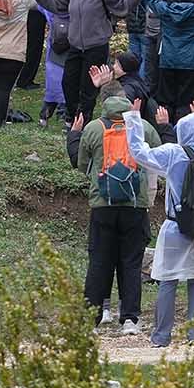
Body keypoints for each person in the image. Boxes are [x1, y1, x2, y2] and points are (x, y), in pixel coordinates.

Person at [123, 101, 194, 347]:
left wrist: (134, 119)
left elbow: (139, 152)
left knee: (168, 280)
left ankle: (161, 336)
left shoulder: (173, 154)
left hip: (177, 226)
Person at [71, 67, 162, 333]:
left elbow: (82, 165)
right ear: (126, 100)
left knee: (99, 261)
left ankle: (91, 318)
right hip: (135, 205)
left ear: (104, 103)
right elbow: (157, 155)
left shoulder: (93, 128)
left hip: (103, 204)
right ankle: (131, 318)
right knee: (131, 262)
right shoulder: (142, 126)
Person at [36, 0, 128, 125]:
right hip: (75, 46)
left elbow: (123, 5)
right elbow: (54, 4)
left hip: (96, 46)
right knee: (68, 83)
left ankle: (83, 121)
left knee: (88, 88)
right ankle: (71, 117)